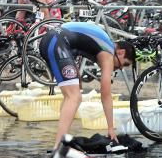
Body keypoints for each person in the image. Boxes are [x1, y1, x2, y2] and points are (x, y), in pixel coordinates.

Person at [38, 21, 134, 149]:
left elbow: (78, 44)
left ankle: (62, 139)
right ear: (120, 52)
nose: (120, 68)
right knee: (74, 97)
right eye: (124, 64)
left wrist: (78, 78)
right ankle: (59, 145)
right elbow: (106, 94)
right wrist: (111, 128)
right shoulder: (109, 53)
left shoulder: (104, 43)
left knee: (71, 96)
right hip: (58, 42)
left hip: (52, 40)